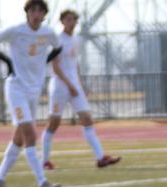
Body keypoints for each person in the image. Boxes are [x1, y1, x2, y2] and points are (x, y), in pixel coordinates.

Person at [0, 0, 63, 187]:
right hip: (16, 87)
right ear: (27, 13)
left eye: (40, 10)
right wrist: (8, 62)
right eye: (32, 10)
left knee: (19, 139)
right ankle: (43, 182)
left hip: (34, 90)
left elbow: (58, 47)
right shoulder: (16, 30)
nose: (36, 13)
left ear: (44, 14)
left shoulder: (48, 33)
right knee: (30, 134)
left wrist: (44, 61)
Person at [41, 9, 121, 170]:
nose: (72, 22)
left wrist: (80, 84)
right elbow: (55, 66)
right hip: (60, 87)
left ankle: (100, 158)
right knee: (53, 124)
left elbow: (75, 63)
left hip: (74, 86)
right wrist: (69, 85)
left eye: (74, 19)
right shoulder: (57, 40)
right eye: (69, 19)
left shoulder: (76, 40)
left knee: (87, 120)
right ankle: (44, 161)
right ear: (62, 21)